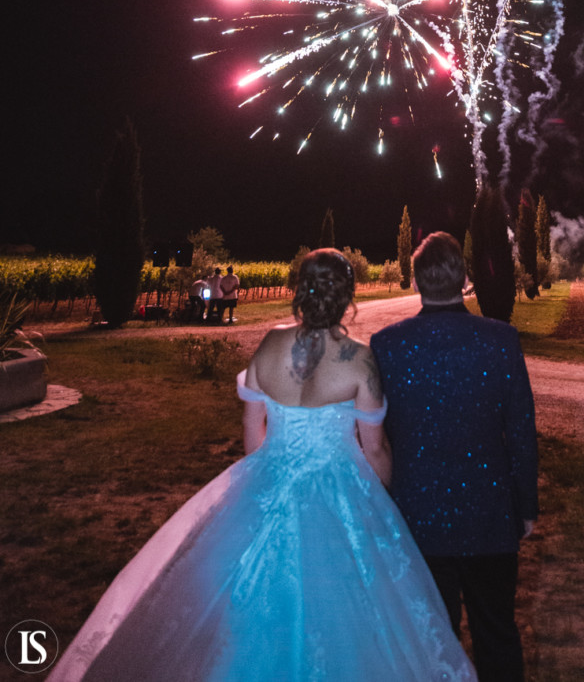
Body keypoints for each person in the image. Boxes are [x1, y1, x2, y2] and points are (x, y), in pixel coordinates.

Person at [48, 249, 477, 682]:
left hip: (270, 476)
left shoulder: (271, 343)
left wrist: (259, 489)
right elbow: (377, 446)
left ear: (299, 292)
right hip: (341, 488)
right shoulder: (359, 359)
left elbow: (253, 430)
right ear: (347, 297)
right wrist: (380, 500)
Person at [371, 231, 538, 682]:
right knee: (497, 633)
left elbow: (376, 437)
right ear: (465, 280)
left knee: (430, 640)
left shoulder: (387, 345)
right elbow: (521, 430)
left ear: (414, 280)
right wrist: (526, 507)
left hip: (417, 516)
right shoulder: (501, 339)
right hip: (489, 514)